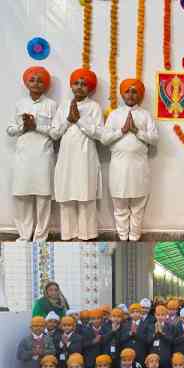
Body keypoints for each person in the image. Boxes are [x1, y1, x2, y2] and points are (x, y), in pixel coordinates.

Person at [100, 79, 158, 241]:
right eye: (128, 91)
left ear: (140, 95)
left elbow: (154, 139)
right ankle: (123, 237)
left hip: (139, 167)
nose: (131, 95)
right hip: (118, 167)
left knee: (138, 206)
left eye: (135, 91)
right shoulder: (114, 114)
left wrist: (136, 131)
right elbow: (104, 139)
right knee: (120, 205)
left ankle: (135, 237)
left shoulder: (145, 115)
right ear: (122, 93)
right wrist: (122, 130)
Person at [50, 68, 103, 240]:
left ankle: (87, 236)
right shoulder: (64, 106)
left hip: (86, 157)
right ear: (71, 85)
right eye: (76, 83)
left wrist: (79, 120)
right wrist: (68, 120)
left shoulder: (94, 107)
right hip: (66, 157)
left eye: (84, 84)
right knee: (66, 195)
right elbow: (54, 134)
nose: (80, 87)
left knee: (86, 195)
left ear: (90, 88)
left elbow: (99, 134)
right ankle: (68, 235)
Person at [7, 66, 57, 241]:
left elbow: (56, 132)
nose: (36, 83)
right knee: (22, 195)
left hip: (43, 155)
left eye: (40, 80)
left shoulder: (52, 105)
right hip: (23, 156)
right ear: (26, 82)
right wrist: (23, 127)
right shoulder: (20, 104)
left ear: (46, 84)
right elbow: (10, 129)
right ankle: (24, 235)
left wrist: (37, 126)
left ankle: (40, 237)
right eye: (32, 79)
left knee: (43, 196)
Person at [120, 303, 153, 368]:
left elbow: (148, 341)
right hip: (128, 356)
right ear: (130, 314)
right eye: (132, 312)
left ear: (141, 313)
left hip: (141, 355)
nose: (135, 314)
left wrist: (137, 334)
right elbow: (121, 340)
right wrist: (129, 334)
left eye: (137, 312)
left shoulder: (146, 325)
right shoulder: (125, 324)